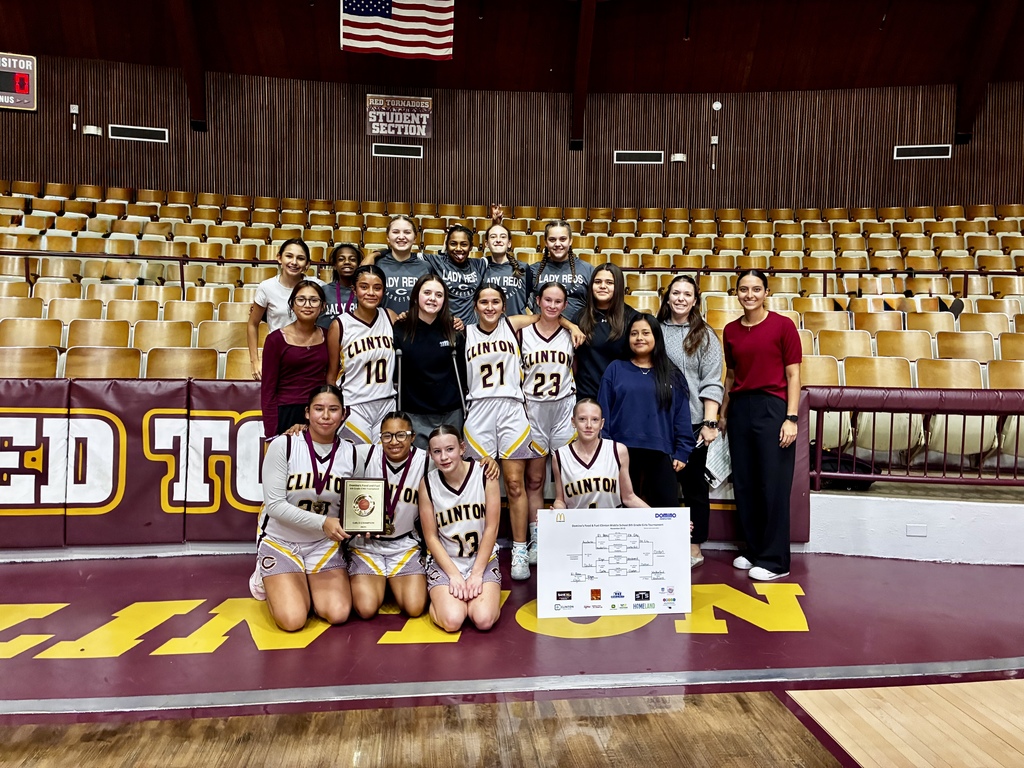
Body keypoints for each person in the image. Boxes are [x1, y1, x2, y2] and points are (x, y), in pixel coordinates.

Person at [462, 284, 582, 581]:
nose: (489, 307)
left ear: (505, 306)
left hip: (514, 410)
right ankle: (476, 548)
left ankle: (520, 548)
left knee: (516, 484)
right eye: (483, 302)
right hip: (478, 411)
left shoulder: (511, 325)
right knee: (478, 485)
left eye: (496, 302)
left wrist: (570, 322)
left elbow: (550, 314)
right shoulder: (464, 332)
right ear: (475, 306)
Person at [721, 269, 802, 582]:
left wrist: (791, 417)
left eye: (756, 289)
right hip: (741, 408)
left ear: (766, 292)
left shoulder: (783, 326)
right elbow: (730, 375)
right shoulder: (730, 330)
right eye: (743, 289)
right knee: (745, 483)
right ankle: (754, 550)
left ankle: (775, 560)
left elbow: (793, 375)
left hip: (772, 407)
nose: (749, 294)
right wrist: (725, 413)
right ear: (737, 293)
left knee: (772, 483)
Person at [255, 384, 357, 631]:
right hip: (282, 540)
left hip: (322, 544)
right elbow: (276, 506)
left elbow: (357, 503)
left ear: (343, 414)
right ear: (306, 413)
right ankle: (267, 575)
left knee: (339, 613)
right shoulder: (285, 445)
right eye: (318, 409)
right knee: (293, 621)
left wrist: (361, 523)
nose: (325, 415)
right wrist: (323, 522)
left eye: (333, 410)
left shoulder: (352, 453)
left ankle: (303, 580)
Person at [658, 275, 724, 569]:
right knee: (663, 486)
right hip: (659, 422)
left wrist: (710, 422)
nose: (681, 298)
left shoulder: (706, 335)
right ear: (668, 296)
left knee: (694, 487)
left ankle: (694, 547)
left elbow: (712, 382)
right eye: (676, 293)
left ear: (695, 300)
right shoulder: (655, 331)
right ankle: (662, 543)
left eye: (687, 294)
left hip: (694, 423)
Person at [598, 314, 695, 507]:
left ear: (656, 338)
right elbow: (603, 413)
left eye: (645, 333)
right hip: (621, 452)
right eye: (634, 333)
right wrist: (605, 449)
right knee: (621, 512)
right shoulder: (615, 369)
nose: (639, 338)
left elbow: (681, 416)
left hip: (660, 452)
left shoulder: (672, 374)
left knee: (667, 514)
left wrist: (682, 451)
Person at [418, 424, 502, 633]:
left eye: (450, 449)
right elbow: (431, 537)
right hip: (448, 561)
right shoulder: (427, 484)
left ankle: (478, 598)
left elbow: (491, 528)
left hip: (481, 559)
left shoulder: (485, 474)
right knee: (453, 621)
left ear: (462, 448)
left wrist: (476, 573)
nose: (444, 457)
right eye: (437, 452)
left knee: (483, 620)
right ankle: (440, 602)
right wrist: (454, 575)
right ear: (431, 455)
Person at [348, 412, 429, 619]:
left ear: (412, 437)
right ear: (380, 437)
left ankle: (389, 581)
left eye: (401, 435)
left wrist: (485, 462)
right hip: (367, 546)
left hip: (404, 544)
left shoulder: (426, 461)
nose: (394, 442)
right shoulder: (364, 454)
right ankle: (379, 581)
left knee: (415, 608)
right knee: (366, 609)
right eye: (387, 436)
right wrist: (299, 431)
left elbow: (460, 466)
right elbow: (328, 448)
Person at [522, 282, 577, 564]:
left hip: (563, 409)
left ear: (565, 305)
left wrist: (571, 325)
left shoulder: (570, 334)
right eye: (548, 300)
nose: (552, 306)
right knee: (535, 479)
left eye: (558, 302)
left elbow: (575, 369)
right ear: (538, 301)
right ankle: (536, 537)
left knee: (565, 478)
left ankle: (564, 534)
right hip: (533, 410)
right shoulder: (522, 334)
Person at [393, 274, 467, 450]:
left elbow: (463, 374)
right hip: (414, 413)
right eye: (427, 292)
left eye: (439, 295)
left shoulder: (453, 331)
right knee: (419, 469)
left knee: (448, 466)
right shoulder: (400, 330)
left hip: (450, 413)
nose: (432, 299)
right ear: (416, 296)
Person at [328, 264, 398, 444]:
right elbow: (331, 374)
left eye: (377, 288)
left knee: (383, 463)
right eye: (364, 287)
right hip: (354, 405)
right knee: (359, 462)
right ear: (354, 289)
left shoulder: (390, 317)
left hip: (387, 403)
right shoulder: (340, 325)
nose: (371, 293)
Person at [260, 280, 332, 437]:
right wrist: (271, 434)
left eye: (314, 300)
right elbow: (268, 390)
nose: (307, 305)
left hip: (320, 412)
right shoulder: (275, 340)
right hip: (286, 412)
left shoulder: (328, 336)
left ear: (323, 306)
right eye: (301, 299)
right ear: (292, 304)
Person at [551, 399, 647, 509]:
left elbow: (628, 497)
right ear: (573, 422)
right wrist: (555, 513)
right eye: (582, 419)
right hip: (577, 524)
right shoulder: (560, 456)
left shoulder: (618, 450)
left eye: (595, 420)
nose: (588, 425)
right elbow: (560, 499)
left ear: (602, 424)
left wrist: (659, 519)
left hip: (611, 524)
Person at [247, 238, 321, 380]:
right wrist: (254, 361)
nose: (294, 262)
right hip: (278, 355)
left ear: (307, 264)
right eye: (289, 256)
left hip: (310, 355)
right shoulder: (266, 287)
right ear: (279, 258)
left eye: (300, 258)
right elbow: (252, 324)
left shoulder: (317, 286)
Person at [575, 263, 638, 400]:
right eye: (598, 282)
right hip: (587, 398)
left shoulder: (633, 318)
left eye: (609, 282)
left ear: (619, 286)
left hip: (620, 396)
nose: (602, 286)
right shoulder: (579, 317)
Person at [526, 219, 594, 322]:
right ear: (545, 242)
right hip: (542, 333)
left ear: (570, 241)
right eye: (552, 239)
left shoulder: (587, 270)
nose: (557, 244)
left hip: (577, 332)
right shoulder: (534, 270)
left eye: (563, 239)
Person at [366, 215, 432, 314]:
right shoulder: (377, 265)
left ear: (415, 238)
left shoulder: (426, 267)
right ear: (388, 237)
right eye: (395, 232)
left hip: (415, 326)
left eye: (407, 232)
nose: (401, 237)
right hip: (384, 325)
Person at [424, 225, 488, 325]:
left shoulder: (479, 264)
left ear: (471, 246)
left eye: (464, 244)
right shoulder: (436, 261)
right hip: (444, 327)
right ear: (447, 244)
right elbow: (407, 256)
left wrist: (496, 223)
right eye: (453, 244)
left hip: (470, 329)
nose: (458, 248)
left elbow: (498, 253)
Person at [483, 206, 529, 315]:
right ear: (486, 244)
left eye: (503, 237)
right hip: (490, 327)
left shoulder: (523, 268)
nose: (498, 240)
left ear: (509, 243)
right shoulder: (481, 267)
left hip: (517, 328)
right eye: (493, 237)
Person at [319, 242, 360, 327]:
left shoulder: (364, 292)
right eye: (341, 259)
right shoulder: (323, 291)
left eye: (352, 259)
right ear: (334, 265)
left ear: (358, 265)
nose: (347, 262)